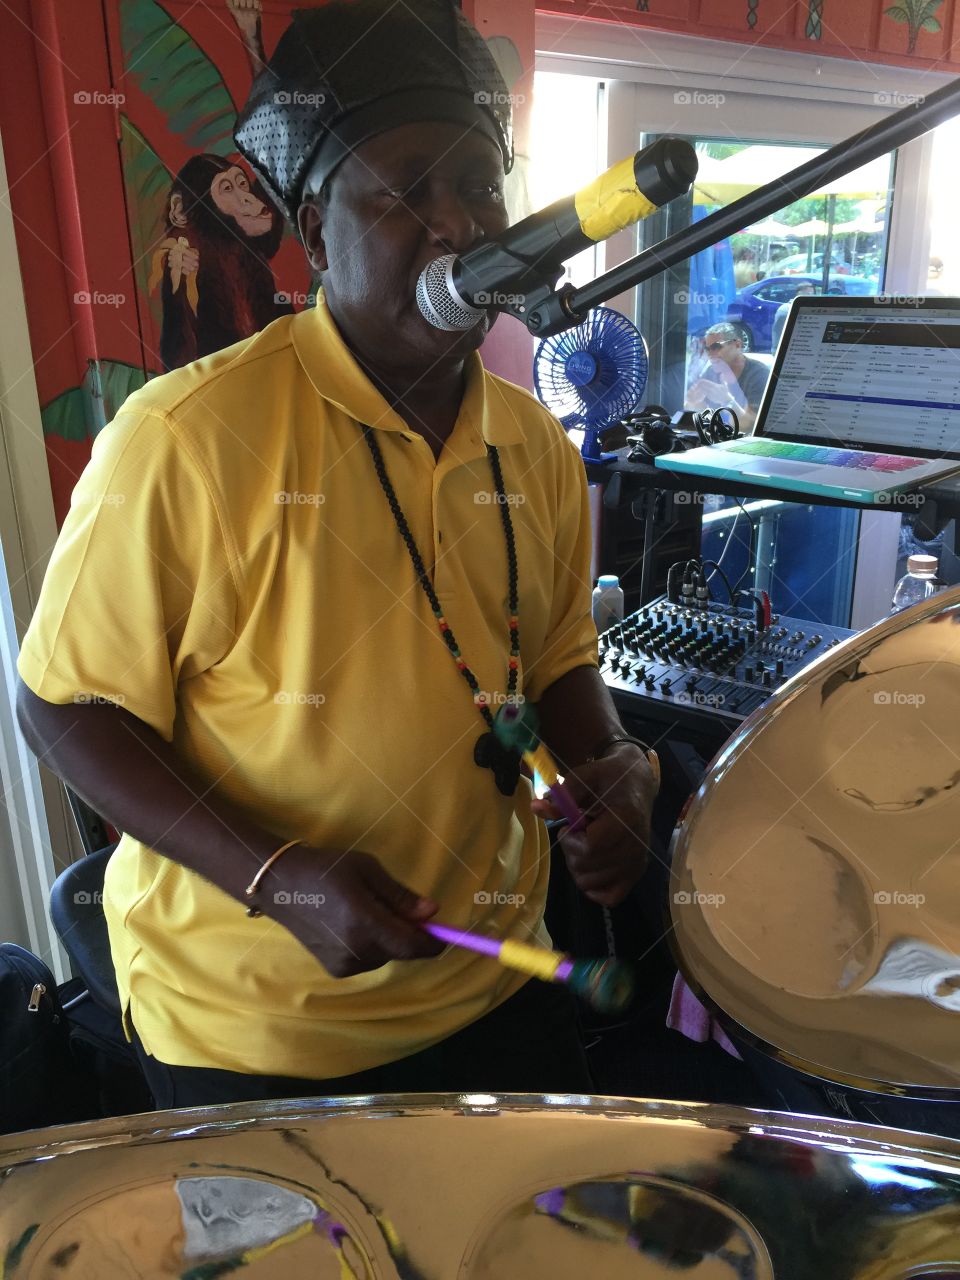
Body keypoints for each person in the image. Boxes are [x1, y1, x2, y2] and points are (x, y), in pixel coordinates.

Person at [16, 0, 657, 1110]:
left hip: (498, 991)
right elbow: (64, 708)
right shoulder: (185, 438)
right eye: (406, 189)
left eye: (478, 185)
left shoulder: (538, 448)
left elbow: (554, 665)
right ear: (316, 232)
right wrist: (276, 877)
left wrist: (617, 772)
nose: (456, 223)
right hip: (250, 1035)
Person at [686, 323, 769, 431]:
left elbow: (750, 426)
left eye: (716, 347)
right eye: (707, 349)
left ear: (737, 345)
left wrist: (727, 401)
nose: (710, 354)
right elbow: (699, 414)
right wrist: (694, 402)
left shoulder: (759, 374)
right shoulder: (711, 372)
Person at [770, 280, 816, 353]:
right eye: (809, 294)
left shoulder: (786, 309)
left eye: (812, 294)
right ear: (799, 294)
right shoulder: (786, 310)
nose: (812, 297)